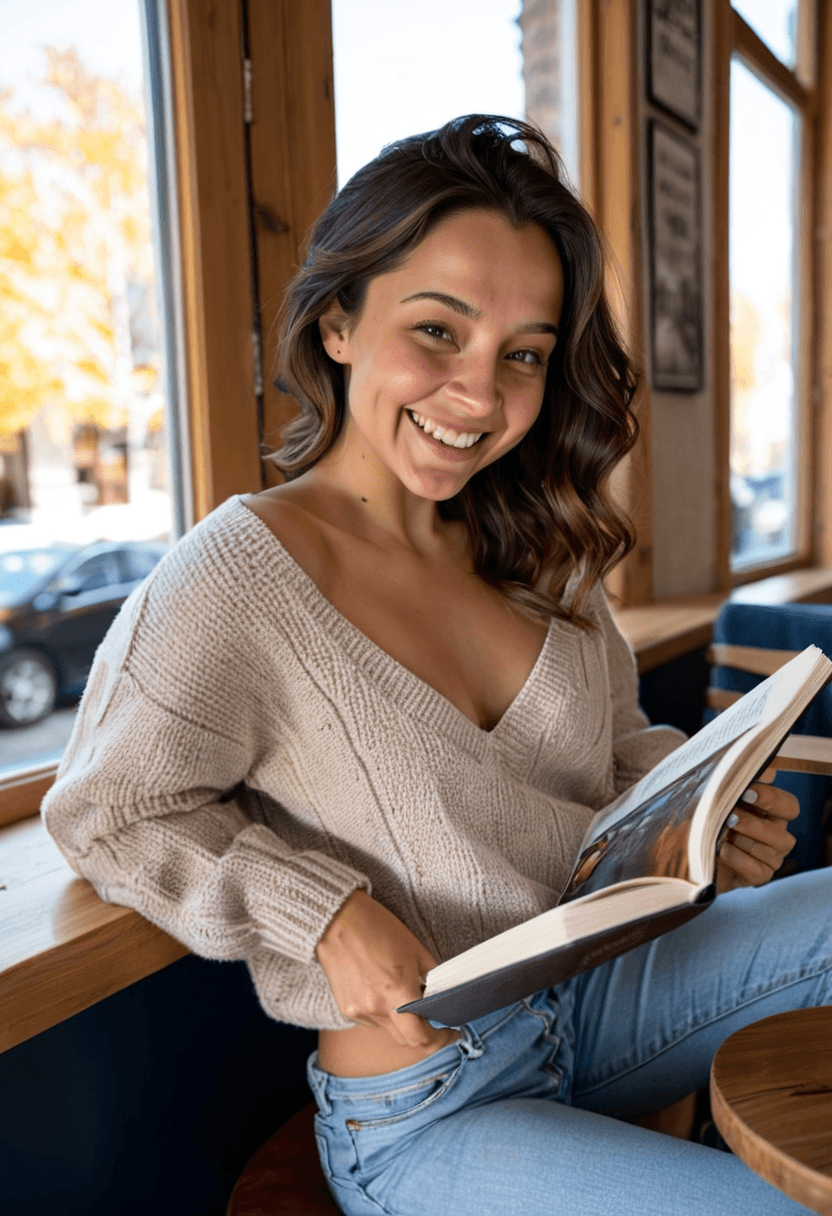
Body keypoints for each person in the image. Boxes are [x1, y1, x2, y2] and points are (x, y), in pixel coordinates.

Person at [43, 116, 830, 1215]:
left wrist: (707, 819)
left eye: (523, 353)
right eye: (437, 330)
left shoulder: (538, 545)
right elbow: (109, 807)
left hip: (606, 993)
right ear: (337, 324)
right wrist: (318, 911)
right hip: (430, 1098)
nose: (478, 393)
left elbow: (621, 756)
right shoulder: (236, 575)